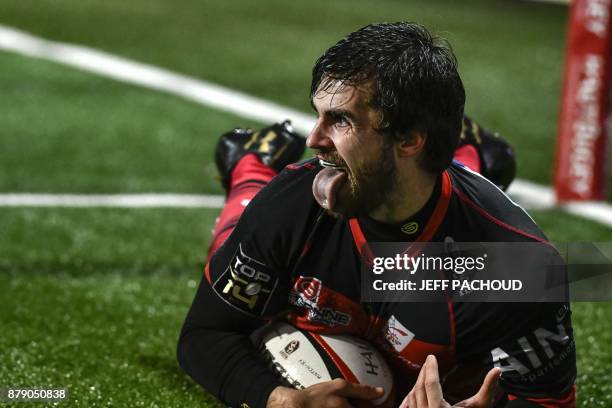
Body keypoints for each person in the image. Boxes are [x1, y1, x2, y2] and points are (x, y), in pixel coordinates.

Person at [177, 22, 575, 408]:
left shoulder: (522, 270)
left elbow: (547, 401)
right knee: (234, 238)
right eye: (317, 115)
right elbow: (204, 333)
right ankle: (250, 164)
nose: (313, 140)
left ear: (409, 137)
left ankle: (470, 156)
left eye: (341, 120)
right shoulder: (295, 199)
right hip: (392, 186)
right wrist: (280, 400)